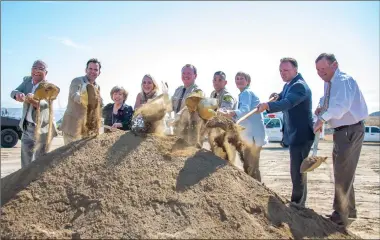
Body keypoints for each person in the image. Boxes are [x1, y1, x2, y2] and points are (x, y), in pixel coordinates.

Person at [313, 53, 368, 226]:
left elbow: (341, 106)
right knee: (343, 171)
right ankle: (349, 210)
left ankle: (340, 213)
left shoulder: (342, 81)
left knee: (343, 173)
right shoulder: (329, 83)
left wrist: (322, 119)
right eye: (318, 70)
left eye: (323, 69)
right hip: (341, 131)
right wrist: (321, 109)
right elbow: (328, 100)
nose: (321, 73)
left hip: (350, 130)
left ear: (334, 65)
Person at [257, 57, 314, 207]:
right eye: (281, 71)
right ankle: (297, 202)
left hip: (302, 134)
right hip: (294, 134)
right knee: (295, 170)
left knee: (299, 171)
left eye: (286, 70)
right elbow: (282, 97)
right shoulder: (289, 85)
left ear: (295, 70)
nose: (283, 73)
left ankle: (298, 204)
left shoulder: (299, 86)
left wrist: (268, 105)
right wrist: (276, 95)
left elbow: (287, 103)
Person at [220, 71, 267, 181]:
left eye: (242, 78)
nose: (239, 81)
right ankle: (256, 190)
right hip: (251, 136)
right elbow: (242, 116)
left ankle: (257, 191)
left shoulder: (246, 93)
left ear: (248, 81)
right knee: (250, 165)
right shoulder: (243, 94)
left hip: (253, 137)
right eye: (237, 78)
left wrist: (231, 112)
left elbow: (244, 110)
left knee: (251, 166)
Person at [10, 60, 58, 168]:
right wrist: (17, 94)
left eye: (41, 69)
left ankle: (37, 184)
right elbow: (13, 92)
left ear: (46, 73)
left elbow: (44, 104)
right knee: (25, 162)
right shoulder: (27, 81)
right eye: (34, 67)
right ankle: (24, 183)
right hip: (27, 127)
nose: (36, 71)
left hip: (43, 130)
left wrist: (31, 99)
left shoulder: (49, 87)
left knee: (39, 163)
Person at [61, 58, 103, 145]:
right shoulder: (77, 81)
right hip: (72, 127)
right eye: (90, 69)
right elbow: (74, 95)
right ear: (86, 70)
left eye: (96, 70)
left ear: (99, 72)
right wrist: (85, 99)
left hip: (86, 128)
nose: (92, 71)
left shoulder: (97, 86)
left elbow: (98, 103)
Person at [171, 64, 204, 144]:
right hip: (175, 129)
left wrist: (177, 116)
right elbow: (170, 106)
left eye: (188, 73)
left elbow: (190, 108)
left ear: (195, 76)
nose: (185, 75)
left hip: (190, 133)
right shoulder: (178, 90)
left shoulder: (197, 91)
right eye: (183, 73)